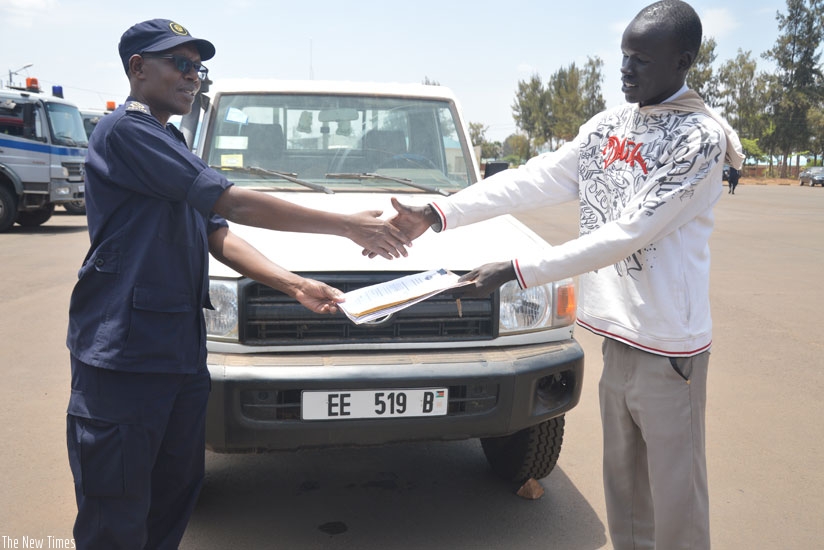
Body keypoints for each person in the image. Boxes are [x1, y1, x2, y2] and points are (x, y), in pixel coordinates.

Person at [373, 1, 743, 548]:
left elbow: (628, 233)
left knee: (677, 503)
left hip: (671, 352)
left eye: (640, 59)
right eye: (623, 56)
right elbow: (533, 178)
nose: (626, 69)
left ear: (683, 61)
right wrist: (438, 214)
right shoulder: (610, 125)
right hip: (617, 339)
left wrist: (519, 270)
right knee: (625, 492)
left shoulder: (700, 141)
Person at [65, 19, 411, 549]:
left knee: (171, 499)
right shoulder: (126, 132)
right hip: (124, 359)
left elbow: (216, 232)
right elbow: (232, 201)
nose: (192, 77)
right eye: (179, 64)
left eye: (198, 68)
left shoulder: (168, 138)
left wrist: (292, 283)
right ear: (137, 69)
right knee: (116, 514)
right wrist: (344, 223)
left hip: (177, 354)